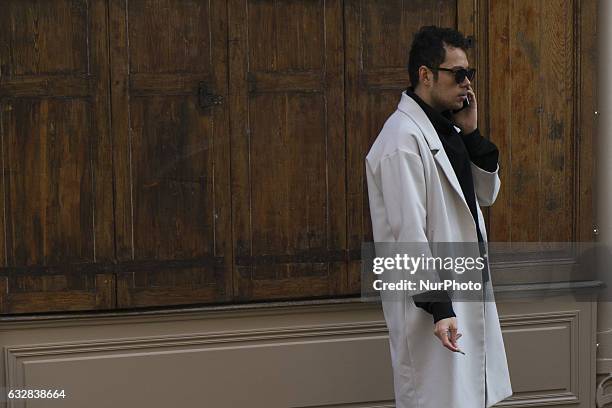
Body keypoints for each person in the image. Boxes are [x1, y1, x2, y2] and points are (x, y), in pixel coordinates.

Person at [365, 26, 513, 408]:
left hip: (461, 294)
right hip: (433, 305)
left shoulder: (445, 131)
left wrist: (471, 134)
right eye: (457, 74)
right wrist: (440, 307)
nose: (467, 84)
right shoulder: (401, 140)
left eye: (470, 75)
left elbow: (486, 194)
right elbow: (407, 235)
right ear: (425, 74)